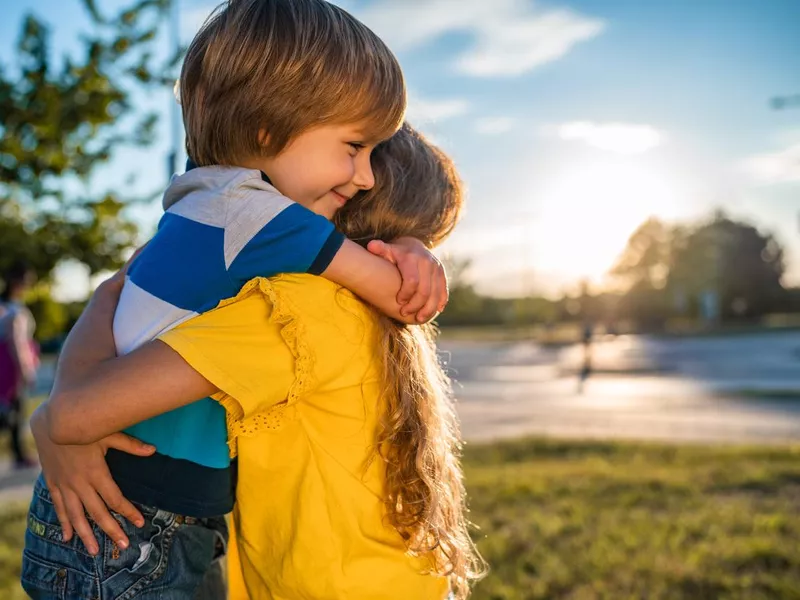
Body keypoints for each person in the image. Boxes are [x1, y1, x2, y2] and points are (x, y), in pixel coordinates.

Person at [21, 1, 449, 598]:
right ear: (268, 129)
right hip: (130, 523)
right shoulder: (258, 217)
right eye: (354, 147)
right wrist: (414, 254)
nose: (365, 175)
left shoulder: (212, 210)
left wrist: (54, 420)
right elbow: (402, 297)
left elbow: (108, 296)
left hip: (141, 519)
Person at [0, 261, 38, 468]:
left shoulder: (7, 306)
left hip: (5, 364)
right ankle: (19, 454)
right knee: (13, 411)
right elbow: (17, 342)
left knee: (11, 411)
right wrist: (26, 370)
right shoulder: (13, 310)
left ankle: (18, 453)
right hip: (11, 367)